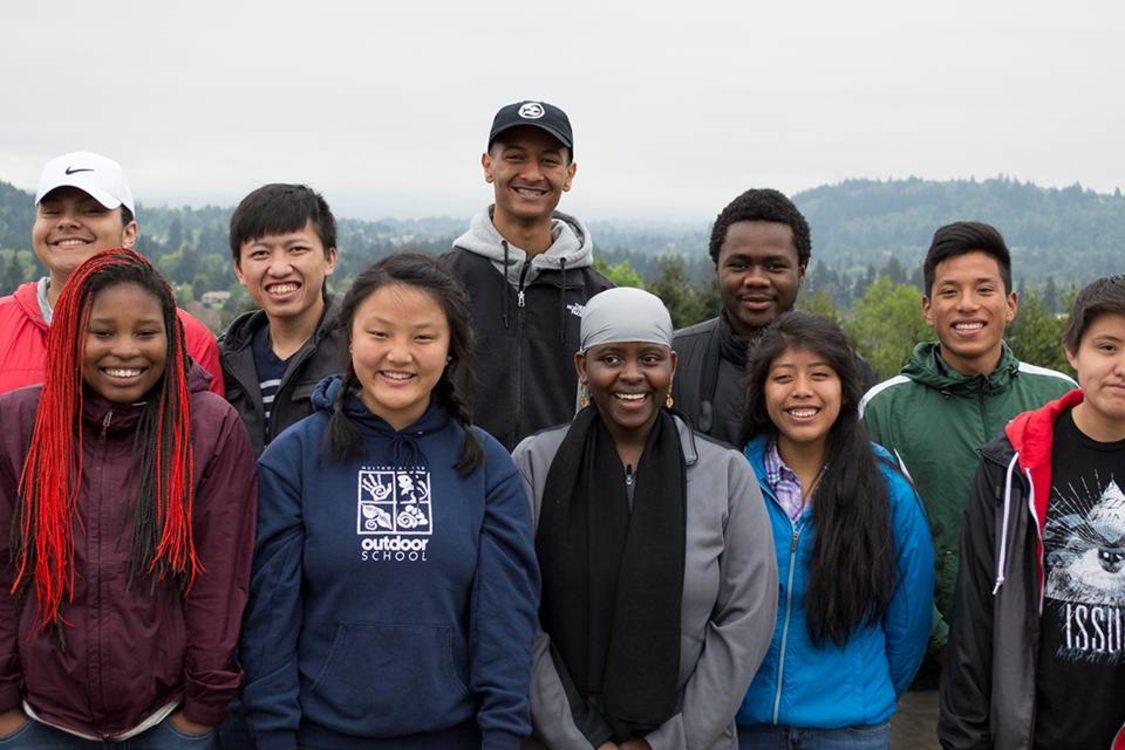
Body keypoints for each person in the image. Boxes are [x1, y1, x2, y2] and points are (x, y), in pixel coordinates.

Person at [240, 252, 539, 749]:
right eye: (379, 334)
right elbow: (269, 621)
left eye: (423, 337)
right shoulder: (292, 459)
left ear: (450, 349)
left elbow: (505, 626)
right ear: (349, 338)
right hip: (320, 736)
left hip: (452, 736)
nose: (399, 355)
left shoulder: (487, 466)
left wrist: (502, 738)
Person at [0, 248, 257, 747]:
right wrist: (5, 708)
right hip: (38, 719)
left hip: (166, 719)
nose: (125, 350)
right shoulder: (18, 424)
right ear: (71, 336)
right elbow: (4, 568)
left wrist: (200, 714)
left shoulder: (209, 428)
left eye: (145, 332)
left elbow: (220, 582)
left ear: (172, 336)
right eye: (102, 332)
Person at [513, 287, 778, 750]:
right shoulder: (536, 465)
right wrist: (576, 736)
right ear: (582, 367)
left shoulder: (725, 473)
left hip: (693, 738)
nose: (631, 375)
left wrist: (664, 742)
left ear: (671, 366)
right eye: (611, 358)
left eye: (649, 359)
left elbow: (746, 621)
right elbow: (516, 614)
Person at [858, 222, 1075, 737]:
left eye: (984, 289)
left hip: (1046, 671)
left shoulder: (1060, 398)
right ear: (928, 308)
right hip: (924, 682)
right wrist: (945, 642)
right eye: (949, 292)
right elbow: (873, 544)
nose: (967, 305)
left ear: (1011, 303)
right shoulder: (885, 407)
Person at [940, 275, 1125, 750]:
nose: (1121, 367)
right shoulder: (1011, 465)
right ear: (1072, 352)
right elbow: (976, 616)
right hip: (1033, 733)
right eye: (1107, 347)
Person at [737, 311, 933, 750]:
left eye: (820, 375)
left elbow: (908, 622)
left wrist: (862, 693)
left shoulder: (888, 491)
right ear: (761, 392)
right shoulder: (732, 482)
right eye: (783, 376)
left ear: (845, 391)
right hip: (744, 727)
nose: (802, 390)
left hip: (849, 731)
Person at [446, 100, 612, 450]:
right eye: (516, 157)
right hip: (461, 482)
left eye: (549, 161)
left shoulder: (600, 299)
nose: (532, 174)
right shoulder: (441, 284)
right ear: (488, 166)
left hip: (566, 491)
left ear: (569, 175)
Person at [0, 151, 224, 396]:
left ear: (129, 233)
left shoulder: (186, 336)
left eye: (91, 211)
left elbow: (207, 428)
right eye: (52, 212)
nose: (66, 222)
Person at [672, 189, 874, 446]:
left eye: (774, 266)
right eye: (740, 265)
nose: (756, 279)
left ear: (801, 271)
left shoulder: (846, 367)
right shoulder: (675, 361)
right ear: (717, 270)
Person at [220, 183, 343, 454]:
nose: (278, 268)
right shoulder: (224, 361)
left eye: (296, 249)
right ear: (239, 270)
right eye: (260, 253)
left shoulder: (360, 350)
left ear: (329, 259)